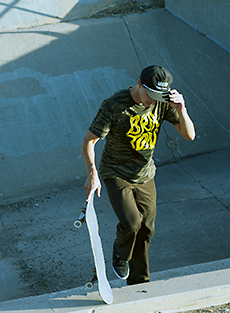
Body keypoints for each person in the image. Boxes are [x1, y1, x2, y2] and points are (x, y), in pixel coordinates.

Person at [81, 65, 195, 285]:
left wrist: (182, 109)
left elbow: (189, 135)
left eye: (158, 97)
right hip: (116, 172)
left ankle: (139, 281)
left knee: (146, 229)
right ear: (140, 84)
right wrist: (91, 172)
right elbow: (89, 141)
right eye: (150, 95)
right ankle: (120, 253)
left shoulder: (162, 103)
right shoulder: (114, 105)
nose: (152, 102)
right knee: (132, 223)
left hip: (145, 174)